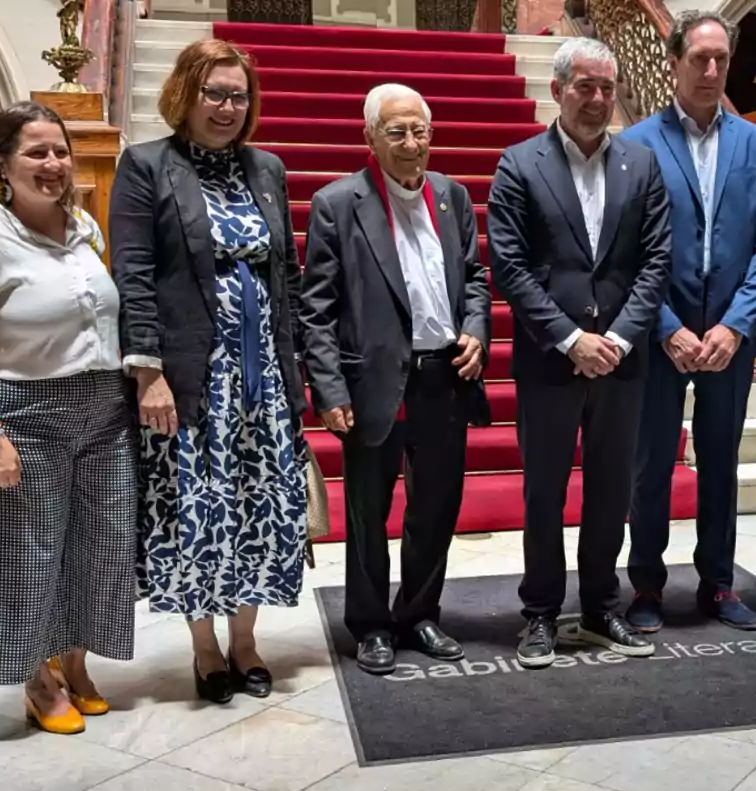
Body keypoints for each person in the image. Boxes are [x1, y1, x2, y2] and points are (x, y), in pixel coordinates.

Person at [109, 39, 308, 702]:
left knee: (257, 505)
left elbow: (287, 274)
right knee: (196, 510)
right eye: (214, 93)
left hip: (262, 379)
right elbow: (133, 274)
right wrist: (149, 372)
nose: (227, 107)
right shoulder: (146, 166)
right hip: (192, 378)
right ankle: (203, 649)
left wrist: (296, 365)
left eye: (238, 95)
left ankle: (246, 642)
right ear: (185, 95)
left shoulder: (267, 169)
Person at [0, 101, 136, 733]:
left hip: (101, 407)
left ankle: (73, 662)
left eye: (60, 151)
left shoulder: (83, 228)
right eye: (36, 153)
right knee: (25, 551)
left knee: (100, 546)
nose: (53, 164)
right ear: (2, 162)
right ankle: (35, 680)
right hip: (19, 409)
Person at [487, 37, 672, 669]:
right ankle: (539, 612)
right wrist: (570, 338)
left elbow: (655, 261)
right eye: (585, 86)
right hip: (549, 360)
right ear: (558, 90)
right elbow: (509, 267)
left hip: (623, 362)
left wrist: (617, 338)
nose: (597, 99)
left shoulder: (641, 165)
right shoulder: (519, 165)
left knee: (611, 489)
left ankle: (599, 608)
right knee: (544, 491)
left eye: (606, 87)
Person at [300, 84, 491, 676]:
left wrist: (476, 332)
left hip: (443, 376)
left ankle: (419, 613)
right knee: (367, 510)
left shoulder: (453, 197)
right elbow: (316, 308)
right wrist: (328, 390)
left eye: (420, 131)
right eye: (396, 132)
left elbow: (475, 277)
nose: (411, 144)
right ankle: (370, 624)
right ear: (370, 138)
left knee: (436, 506)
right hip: (373, 383)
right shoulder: (338, 203)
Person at [620, 11, 756, 633]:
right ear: (674, 63)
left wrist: (737, 325)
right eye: (699, 58)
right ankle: (646, 587)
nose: (712, 70)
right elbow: (625, 245)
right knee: (652, 463)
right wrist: (663, 325)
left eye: (721, 59)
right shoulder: (636, 142)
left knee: (721, 462)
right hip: (658, 337)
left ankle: (718, 583)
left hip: (730, 341)